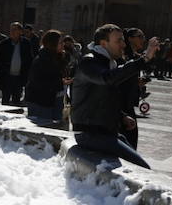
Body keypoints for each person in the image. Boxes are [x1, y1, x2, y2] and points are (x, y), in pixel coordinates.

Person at [70, 24, 158, 167]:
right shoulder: (89, 61)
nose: (123, 45)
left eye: (123, 40)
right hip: (91, 134)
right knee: (141, 167)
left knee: (136, 161)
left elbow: (101, 98)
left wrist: (121, 116)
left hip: (105, 132)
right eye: (119, 41)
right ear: (104, 43)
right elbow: (107, 79)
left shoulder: (109, 62)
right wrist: (144, 59)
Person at [25, 30, 68, 126]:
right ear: (53, 43)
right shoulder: (42, 59)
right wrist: (59, 83)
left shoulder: (57, 57)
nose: (63, 45)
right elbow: (38, 82)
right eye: (60, 42)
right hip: (41, 102)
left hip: (55, 99)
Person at [0, 22, 35, 105]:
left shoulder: (26, 43)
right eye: (11, 29)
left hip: (19, 78)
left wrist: (27, 75)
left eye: (14, 29)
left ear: (20, 32)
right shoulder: (4, 44)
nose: (12, 31)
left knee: (16, 101)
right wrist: (0, 74)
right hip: (6, 77)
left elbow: (29, 60)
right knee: (5, 101)